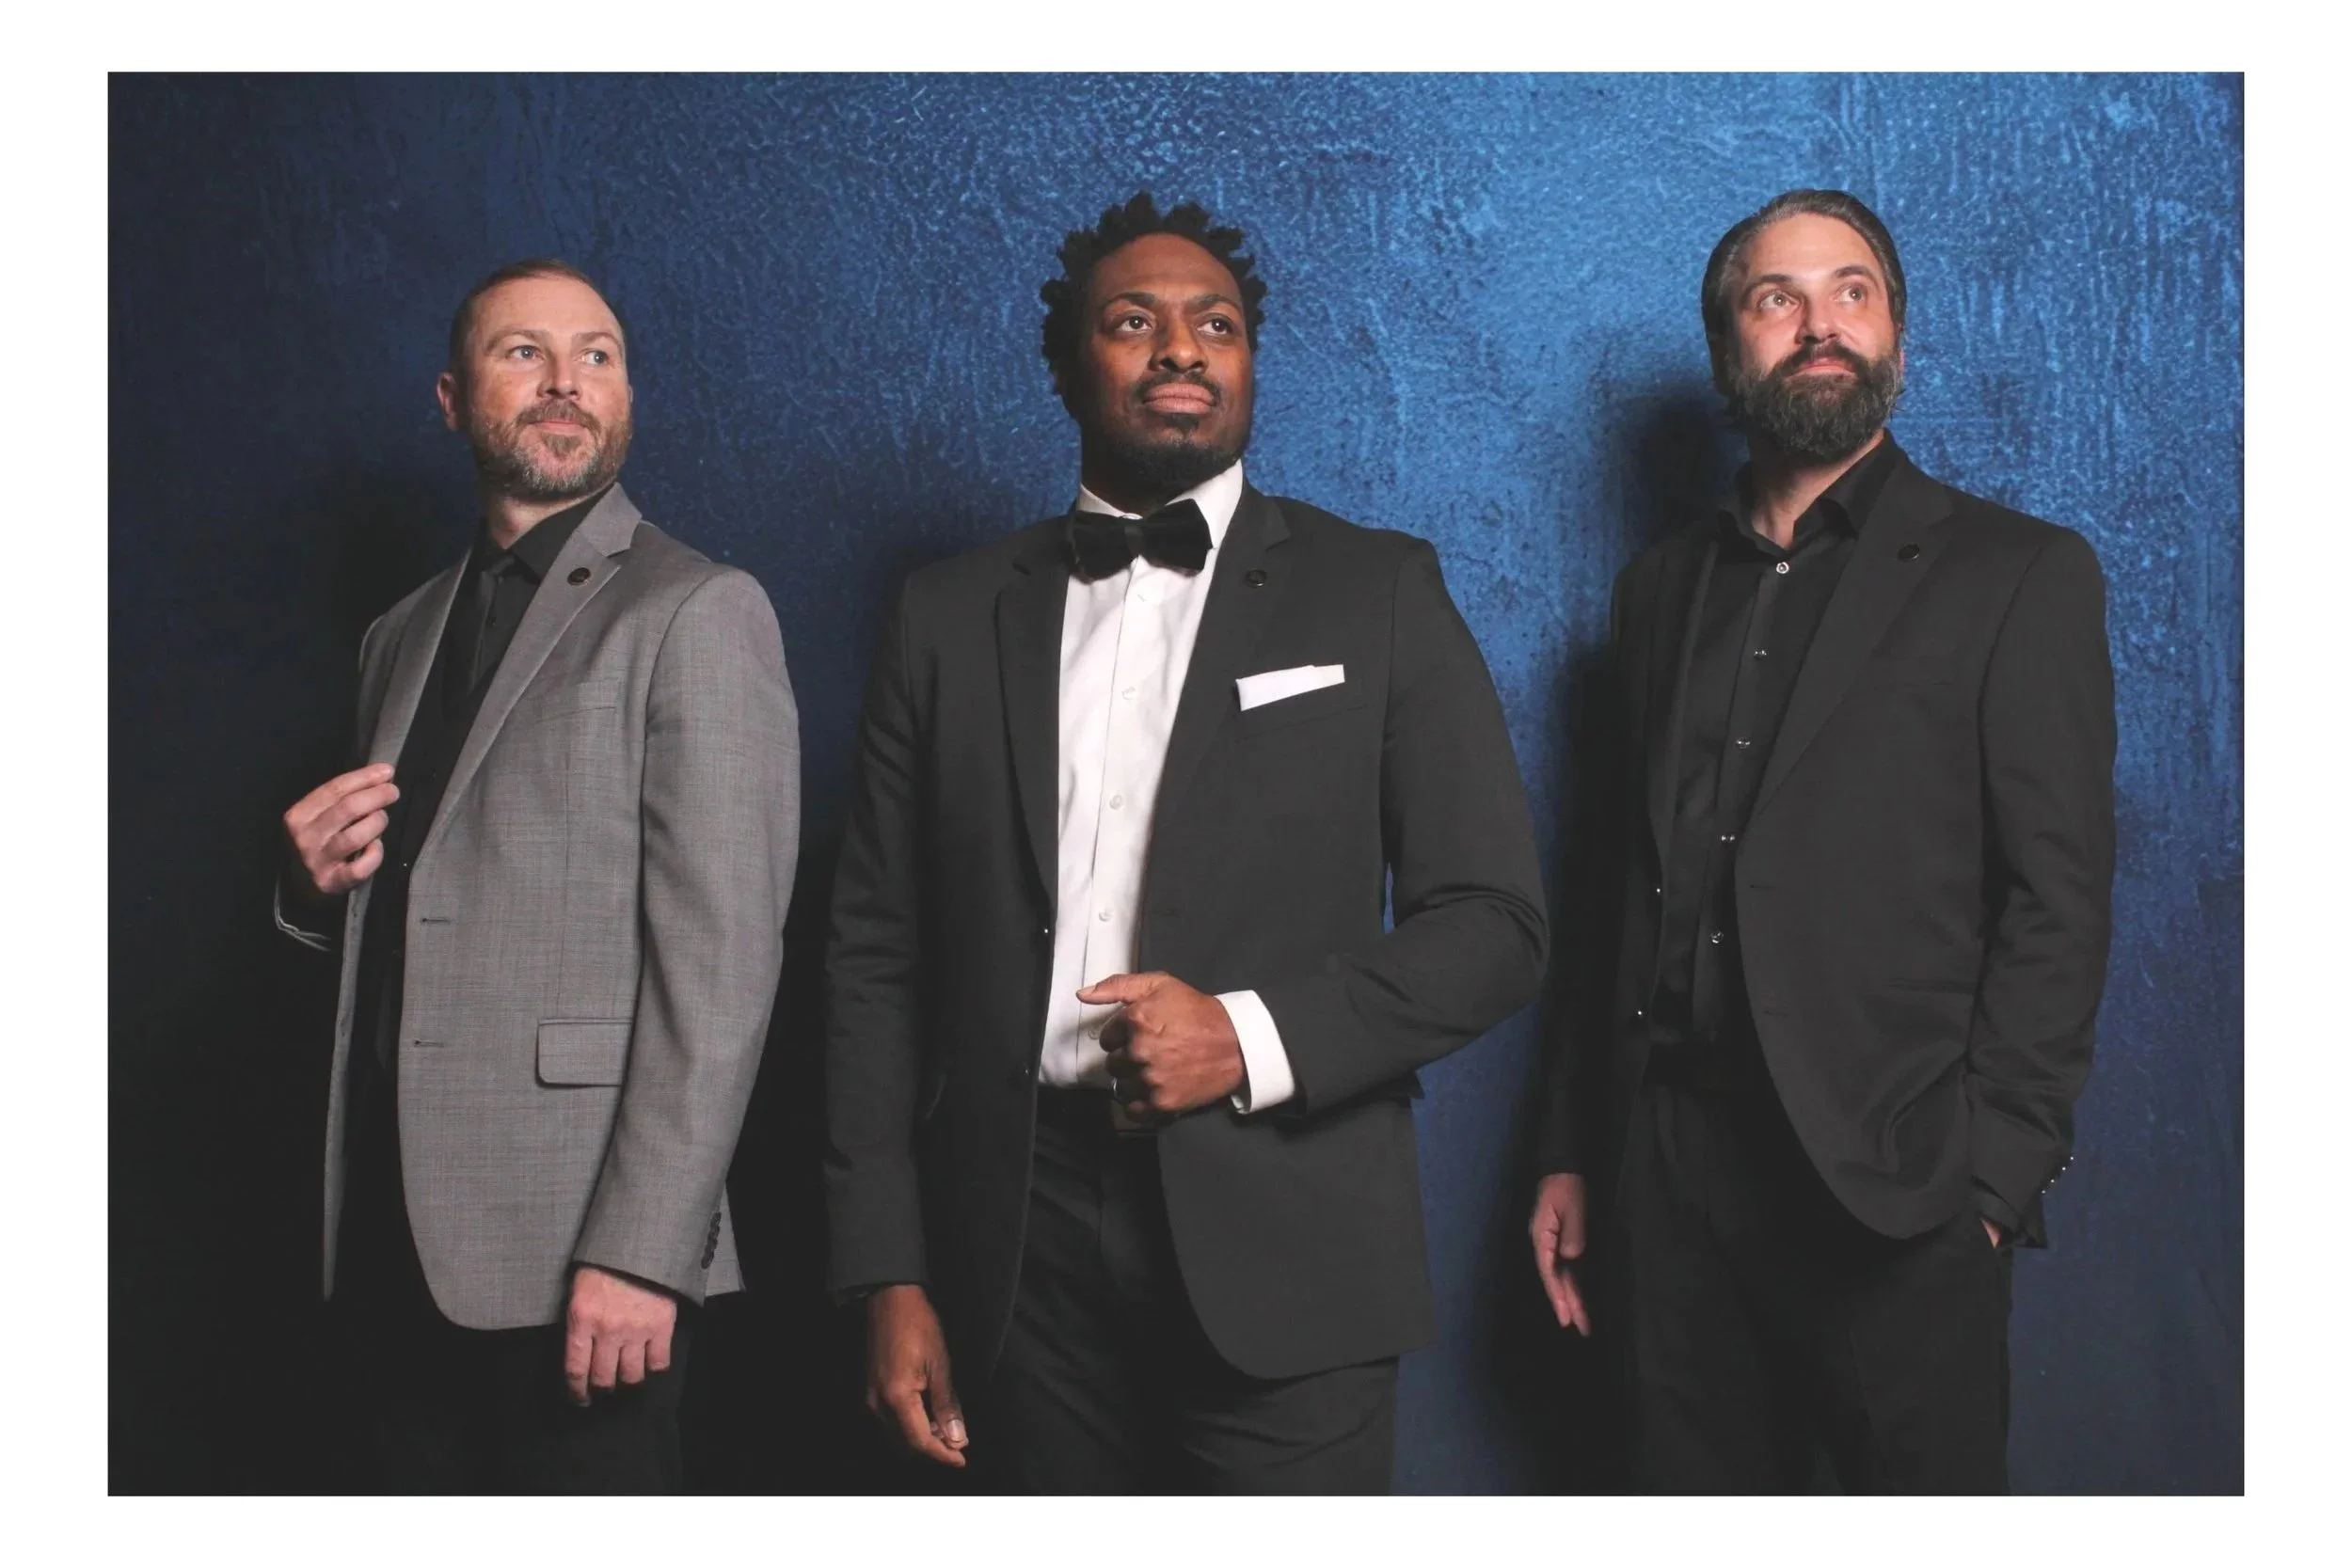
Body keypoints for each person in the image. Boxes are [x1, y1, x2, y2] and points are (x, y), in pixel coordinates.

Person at [824, 193, 1547, 1494]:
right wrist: (887, 1268)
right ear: (1068, 367)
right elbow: (874, 957)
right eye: (1133, 322)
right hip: (1014, 1254)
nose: (1180, 348)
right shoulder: (945, 615)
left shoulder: (1379, 589)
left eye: (1216, 325)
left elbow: (1497, 926)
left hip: (1294, 1236)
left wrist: (1249, 1037)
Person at [1528, 189, 2115, 1493]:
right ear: (1728, 348)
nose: (1820, 325)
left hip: (1895, 1190)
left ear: (1896, 330)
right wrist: (1573, 1144)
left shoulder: (2017, 575)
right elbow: (1615, 882)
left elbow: (2059, 899)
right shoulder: (1655, 590)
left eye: (1853, 292)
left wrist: (1993, 1181)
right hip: (1665, 1181)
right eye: (1776, 299)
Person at [276, 259, 799, 1493]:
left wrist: (645, 1250)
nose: (567, 380)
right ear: (452, 399)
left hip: (582, 1265)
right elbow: (416, 920)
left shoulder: (698, 610)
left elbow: (723, 969)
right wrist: (307, 898)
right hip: (387, 1250)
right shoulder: (397, 633)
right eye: (525, 352)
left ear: (626, 396)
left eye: (596, 355)